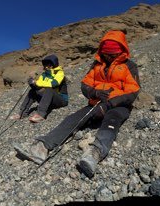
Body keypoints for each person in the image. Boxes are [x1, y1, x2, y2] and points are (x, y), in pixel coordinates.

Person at [13, 30, 140, 178]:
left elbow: (133, 91)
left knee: (112, 119)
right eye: (106, 54)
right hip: (95, 103)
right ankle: (43, 146)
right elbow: (85, 84)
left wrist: (110, 103)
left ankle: (95, 153)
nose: (109, 57)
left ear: (120, 51)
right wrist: (95, 93)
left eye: (113, 55)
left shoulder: (129, 66)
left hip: (118, 105)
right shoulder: (97, 65)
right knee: (73, 118)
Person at [9, 54, 69, 123]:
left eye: (49, 64)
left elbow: (54, 83)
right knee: (32, 91)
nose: (46, 66)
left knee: (49, 89)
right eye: (45, 64)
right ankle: (22, 113)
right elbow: (38, 86)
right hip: (49, 99)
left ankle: (40, 114)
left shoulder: (59, 72)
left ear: (53, 64)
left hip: (61, 100)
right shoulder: (44, 75)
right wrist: (33, 84)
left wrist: (37, 83)